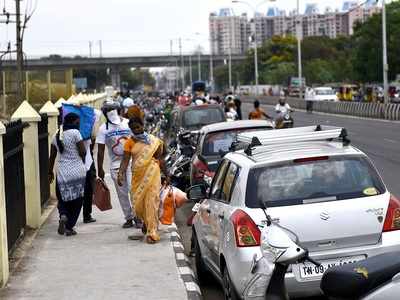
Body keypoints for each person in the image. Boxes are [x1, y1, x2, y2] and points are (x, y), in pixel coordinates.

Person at [118, 115, 167, 244]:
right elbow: (125, 160)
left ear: (143, 126)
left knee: (152, 201)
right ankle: (146, 221)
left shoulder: (153, 140)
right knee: (138, 204)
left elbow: (160, 157)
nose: (136, 130)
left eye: (138, 127)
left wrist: (166, 173)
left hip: (153, 173)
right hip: (138, 176)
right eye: (133, 128)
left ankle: (152, 232)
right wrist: (120, 174)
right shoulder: (129, 142)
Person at [96, 101, 137, 228]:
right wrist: (100, 169)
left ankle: (138, 217)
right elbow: (101, 150)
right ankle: (129, 217)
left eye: (112, 109)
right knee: (122, 193)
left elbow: (137, 139)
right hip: (115, 165)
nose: (110, 112)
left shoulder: (127, 123)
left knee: (133, 190)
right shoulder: (103, 129)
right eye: (108, 110)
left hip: (131, 162)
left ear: (118, 110)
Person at [49, 113, 87, 236]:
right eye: (78, 122)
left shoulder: (56, 135)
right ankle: (69, 227)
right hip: (77, 171)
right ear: (74, 122)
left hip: (62, 172)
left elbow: (52, 157)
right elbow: (83, 151)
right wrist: (83, 159)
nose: (79, 124)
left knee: (62, 197)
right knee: (77, 200)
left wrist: (50, 171)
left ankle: (63, 215)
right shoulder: (75, 133)